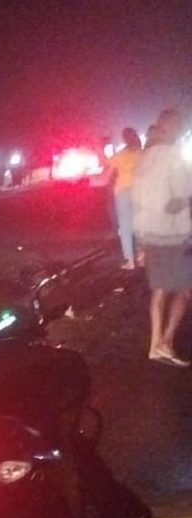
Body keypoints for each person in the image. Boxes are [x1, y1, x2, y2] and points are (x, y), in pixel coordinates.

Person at [132, 109, 192, 367]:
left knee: (159, 291)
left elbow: (136, 200)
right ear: (173, 129)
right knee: (185, 290)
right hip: (174, 236)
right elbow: (181, 198)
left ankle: (154, 345)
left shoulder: (144, 159)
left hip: (150, 234)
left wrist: (140, 242)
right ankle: (165, 342)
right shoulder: (174, 157)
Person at [105, 128, 143, 269]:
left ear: (124, 139)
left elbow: (106, 174)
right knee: (139, 224)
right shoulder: (142, 153)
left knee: (126, 227)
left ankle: (130, 261)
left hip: (122, 191)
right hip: (139, 190)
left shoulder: (120, 155)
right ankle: (141, 254)